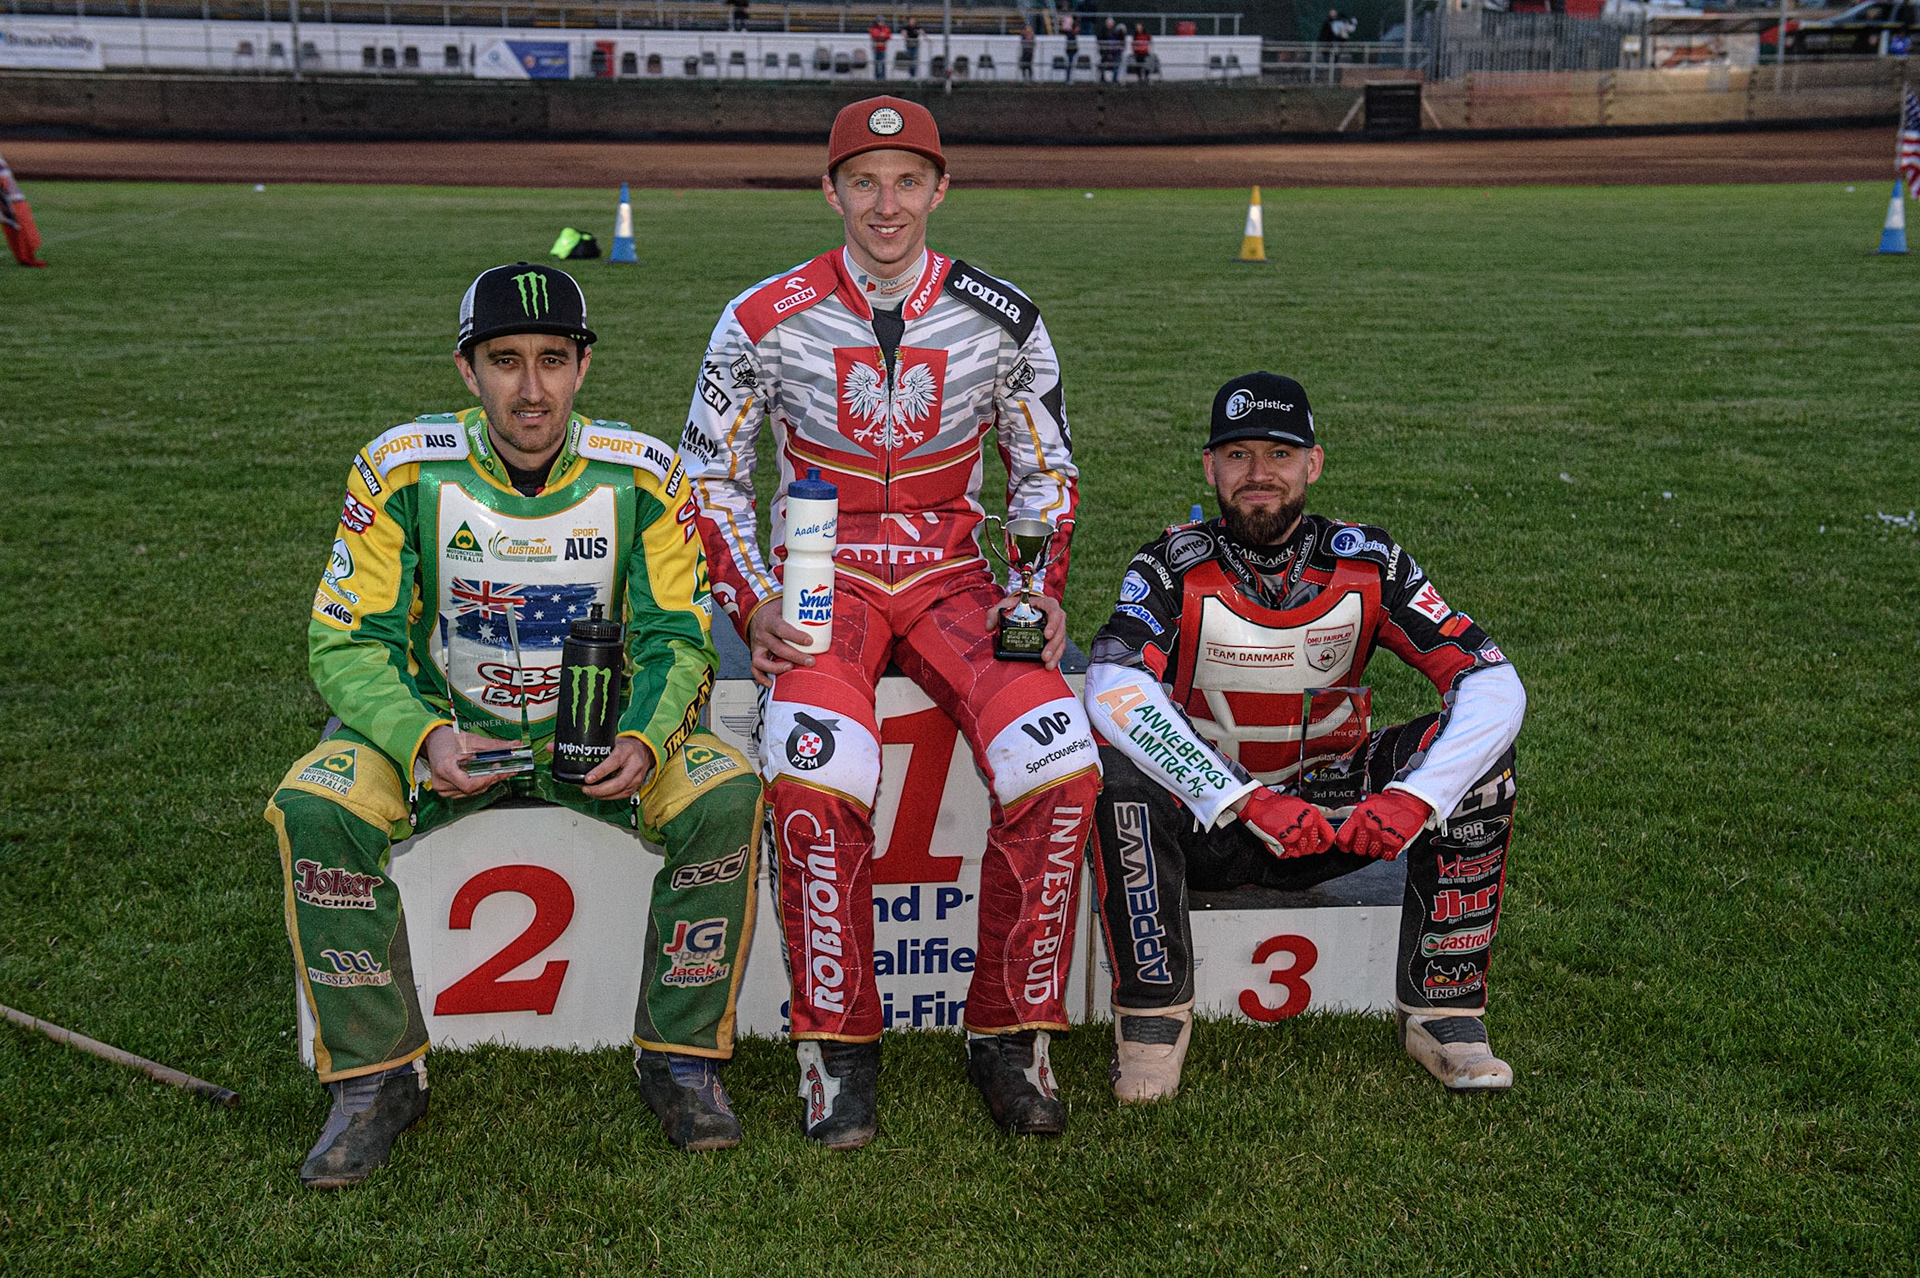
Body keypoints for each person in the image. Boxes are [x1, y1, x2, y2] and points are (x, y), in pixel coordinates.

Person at [266, 262, 764, 1187]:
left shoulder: (644, 474)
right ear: (468, 370)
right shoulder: (399, 467)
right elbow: (346, 641)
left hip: (593, 738)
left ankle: (681, 1059)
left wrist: (646, 737)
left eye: (552, 360)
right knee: (316, 806)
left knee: (725, 793)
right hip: (445, 736)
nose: (530, 388)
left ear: (583, 367)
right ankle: (378, 1081)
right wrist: (420, 737)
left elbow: (678, 636)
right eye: (505, 361)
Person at [681, 97, 1098, 1148]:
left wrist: (1036, 588)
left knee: (1061, 771)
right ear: (830, 191)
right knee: (817, 790)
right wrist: (754, 600)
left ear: (941, 188)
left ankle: (1010, 1038)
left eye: (908, 180)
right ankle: (839, 1053)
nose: (886, 203)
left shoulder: (1003, 316)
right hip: (825, 588)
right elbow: (707, 478)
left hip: (958, 582)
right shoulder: (760, 316)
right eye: (864, 180)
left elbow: (1042, 468)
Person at [1081, 372, 1526, 1103]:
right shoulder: (1169, 565)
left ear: (1313, 464)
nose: (1259, 475)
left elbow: (1492, 681)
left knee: (1481, 762)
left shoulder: (1370, 563)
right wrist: (1244, 801)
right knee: (1116, 769)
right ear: (1209, 466)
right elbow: (1113, 689)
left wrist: (1416, 797)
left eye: (1279, 455)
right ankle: (1152, 1021)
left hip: (1338, 817)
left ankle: (1445, 1014)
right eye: (1238, 455)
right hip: (1211, 825)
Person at [1061, 13, 1079, 81]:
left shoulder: (1072, 34)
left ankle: (1068, 78)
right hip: (1070, 50)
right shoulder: (1070, 34)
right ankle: (1068, 78)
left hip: (1072, 50)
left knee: (1070, 64)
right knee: (1069, 64)